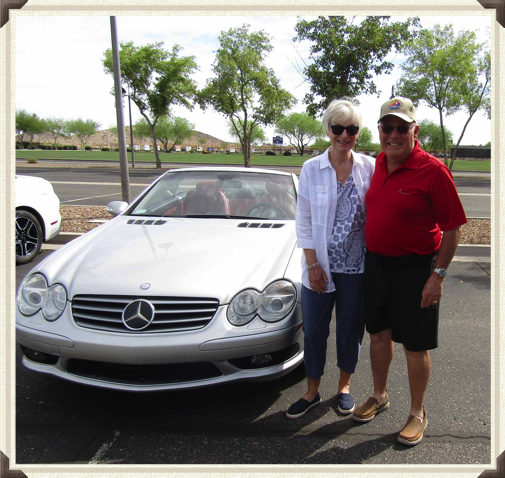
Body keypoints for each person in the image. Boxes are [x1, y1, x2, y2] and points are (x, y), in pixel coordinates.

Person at [352, 97, 467, 446]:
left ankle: (418, 412)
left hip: (417, 270)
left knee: (415, 347)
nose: (394, 134)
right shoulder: (378, 163)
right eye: (388, 127)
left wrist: (439, 275)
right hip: (376, 265)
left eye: (402, 128)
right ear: (380, 131)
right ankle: (379, 394)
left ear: (415, 131)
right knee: (378, 336)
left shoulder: (433, 170)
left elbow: (453, 229)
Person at [286, 99, 375, 419]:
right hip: (319, 266)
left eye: (351, 129)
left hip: (356, 267)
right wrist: (311, 264)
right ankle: (311, 390)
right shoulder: (312, 168)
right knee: (314, 328)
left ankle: (344, 388)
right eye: (338, 128)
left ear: (358, 132)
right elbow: (304, 219)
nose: (344, 134)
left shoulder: (369, 166)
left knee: (351, 328)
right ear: (327, 130)